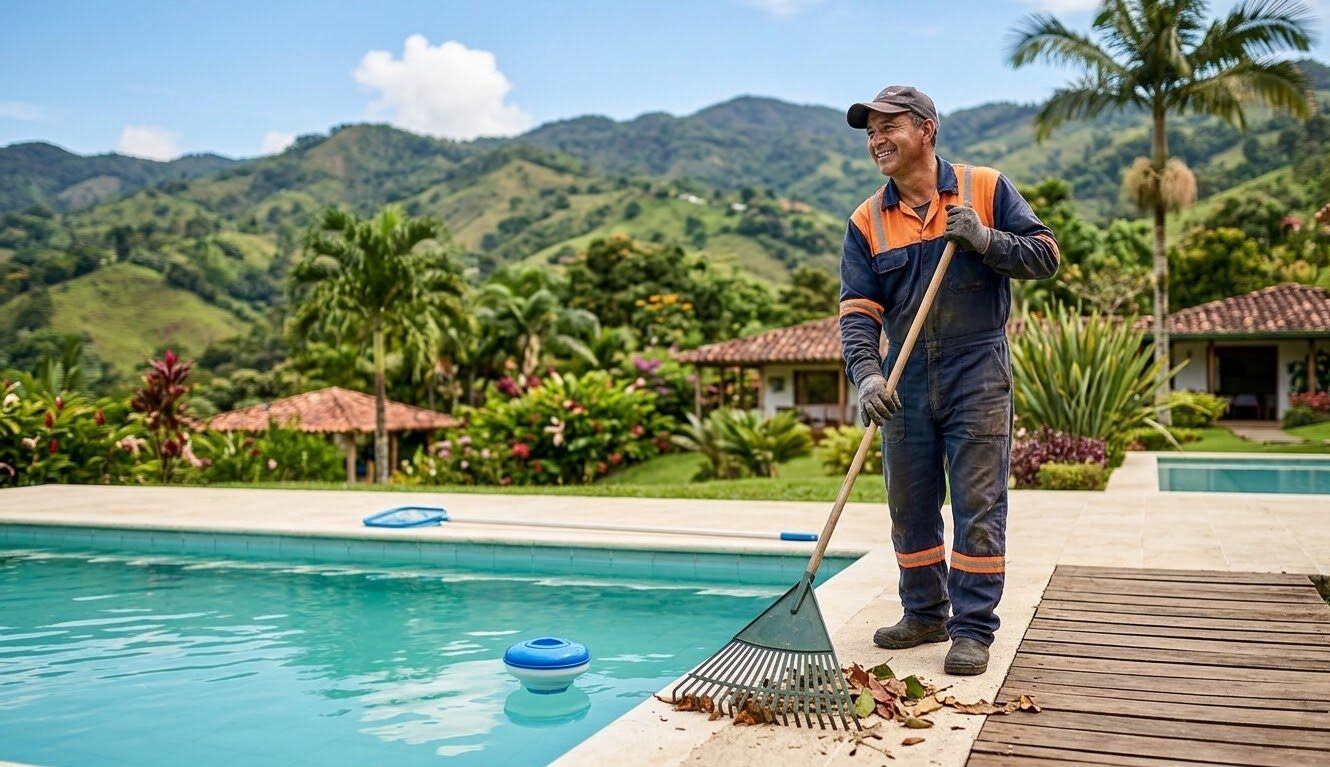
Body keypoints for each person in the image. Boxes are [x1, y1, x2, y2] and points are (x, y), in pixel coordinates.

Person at [838, 85, 1059, 675]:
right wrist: (866, 376)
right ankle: (925, 613)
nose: (877, 141)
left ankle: (973, 629)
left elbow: (1045, 255)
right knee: (909, 505)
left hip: (977, 369)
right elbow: (859, 313)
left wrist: (985, 240)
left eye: (889, 128)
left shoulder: (985, 188)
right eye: (870, 133)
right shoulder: (867, 220)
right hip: (904, 379)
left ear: (926, 129)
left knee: (977, 504)